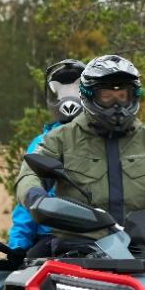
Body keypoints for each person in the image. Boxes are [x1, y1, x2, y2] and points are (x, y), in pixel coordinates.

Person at [14, 54, 145, 252]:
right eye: (107, 96)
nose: (116, 104)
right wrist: (36, 197)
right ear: (89, 95)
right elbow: (29, 175)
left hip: (144, 251)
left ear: (133, 95)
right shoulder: (59, 139)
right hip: (79, 251)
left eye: (122, 96)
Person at [6, 59, 86, 262]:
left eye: (75, 90)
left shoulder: (104, 140)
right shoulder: (42, 143)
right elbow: (28, 198)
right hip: (52, 236)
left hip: (100, 236)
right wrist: (18, 245)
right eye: (62, 92)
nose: (69, 98)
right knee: (26, 274)